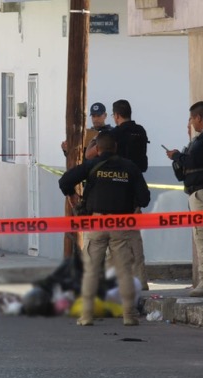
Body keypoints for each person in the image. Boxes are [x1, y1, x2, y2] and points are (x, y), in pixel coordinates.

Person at [59, 131, 150, 326]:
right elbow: (144, 198)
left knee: (91, 270)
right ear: (116, 148)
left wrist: (74, 198)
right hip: (121, 224)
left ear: (97, 149)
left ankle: (86, 316)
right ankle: (129, 316)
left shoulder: (92, 165)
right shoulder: (129, 167)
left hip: (97, 223)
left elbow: (64, 181)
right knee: (124, 270)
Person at [85, 100, 150, 290]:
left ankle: (112, 285)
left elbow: (90, 155)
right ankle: (141, 280)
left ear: (116, 116)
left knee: (111, 244)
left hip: (116, 192)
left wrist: (92, 142)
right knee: (134, 240)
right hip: (135, 191)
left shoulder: (112, 135)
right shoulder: (141, 131)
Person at [165, 101, 203, 297]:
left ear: (199, 117)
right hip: (202, 193)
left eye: (192, 119)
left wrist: (177, 156)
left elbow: (195, 160)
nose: (191, 123)